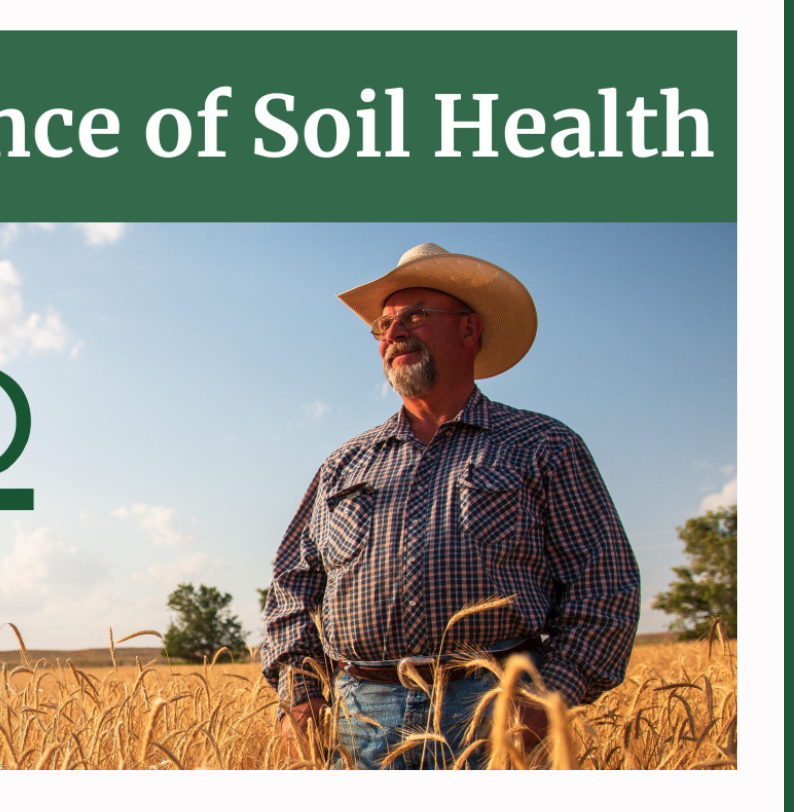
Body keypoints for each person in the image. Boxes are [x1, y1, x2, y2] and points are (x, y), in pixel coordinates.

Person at [260, 243, 641, 769]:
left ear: (469, 329)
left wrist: (543, 702)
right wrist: (299, 695)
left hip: (496, 709)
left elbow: (605, 585)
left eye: (415, 316)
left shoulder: (542, 444)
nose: (392, 334)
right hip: (360, 717)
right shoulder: (344, 464)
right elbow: (292, 586)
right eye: (383, 326)